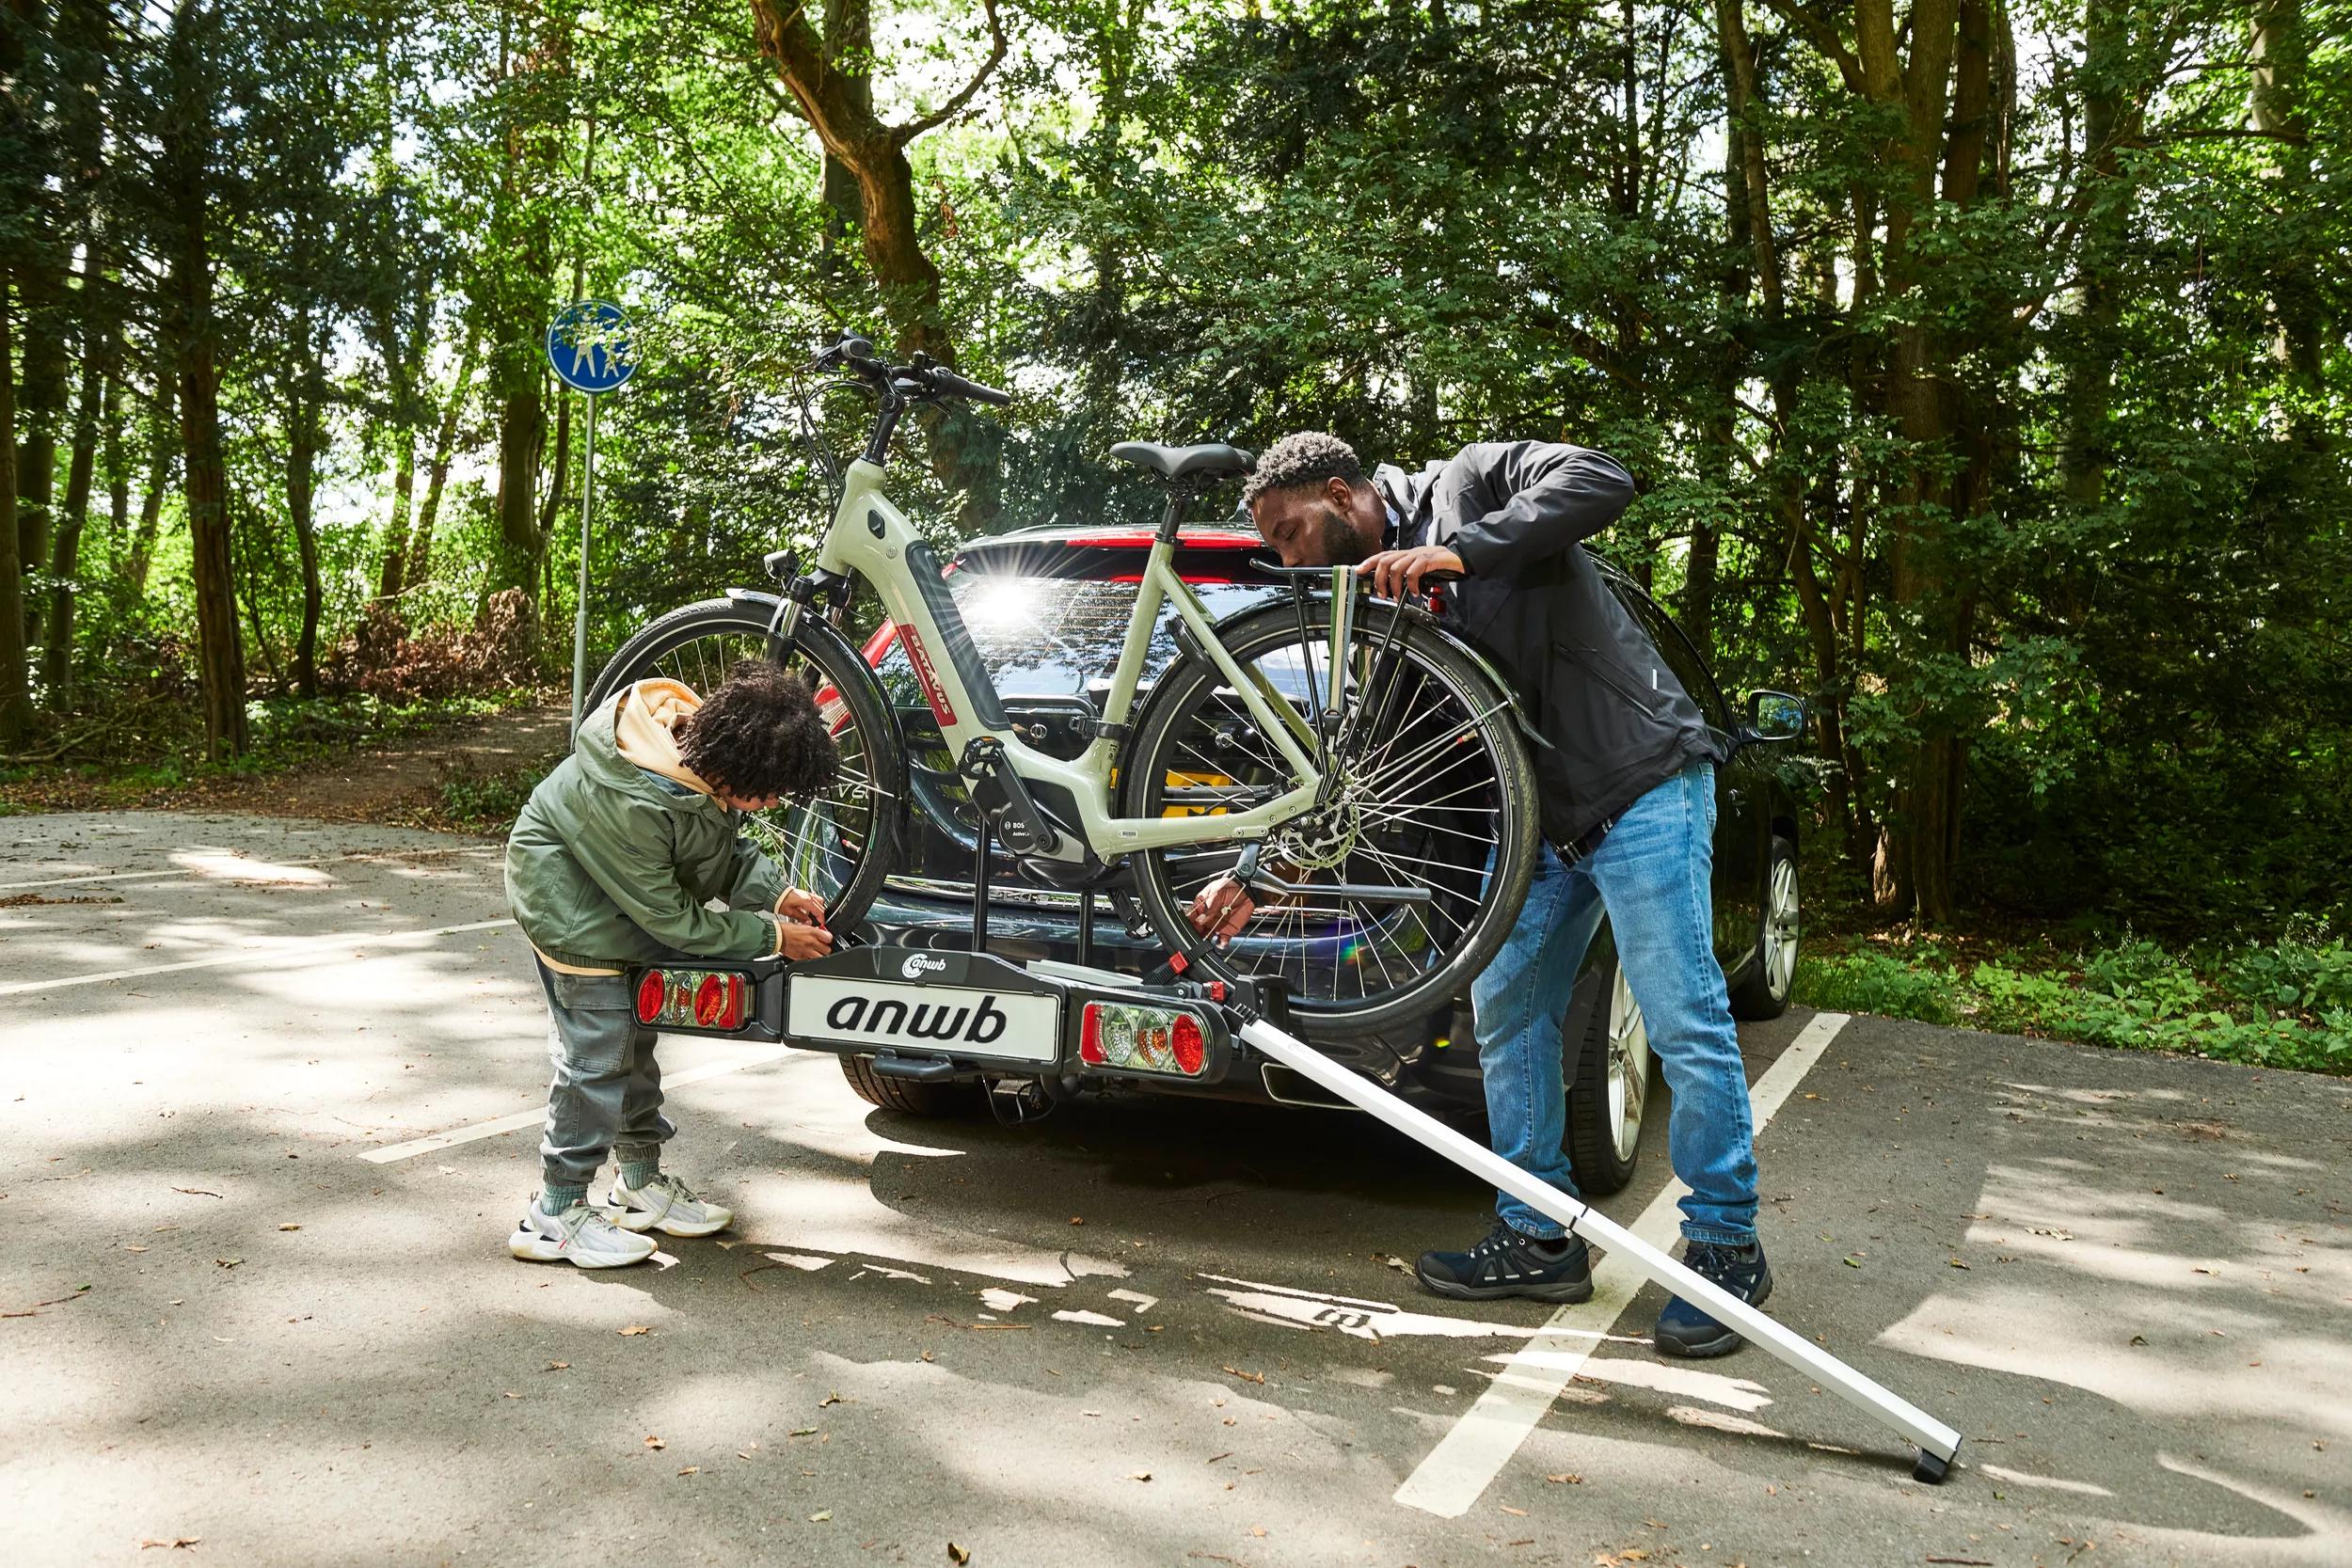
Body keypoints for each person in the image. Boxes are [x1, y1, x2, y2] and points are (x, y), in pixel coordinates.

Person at [1191, 432, 1767, 1357]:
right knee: (1505, 1013)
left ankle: (1726, 1249)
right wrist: (1261, 878)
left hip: (1640, 784)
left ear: (1341, 493)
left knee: (1682, 1020)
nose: (1287, 557)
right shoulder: (1376, 617)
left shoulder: (1470, 482)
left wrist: (1463, 550)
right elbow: (1353, 774)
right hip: (1542, 830)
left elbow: (1603, 476)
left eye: (1292, 532)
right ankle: (1538, 1234)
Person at [502, 660, 838, 1268]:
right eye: (768, 791)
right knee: (596, 1056)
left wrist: (777, 894)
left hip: (622, 901)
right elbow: (677, 920)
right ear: (738, 766)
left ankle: (637, 1185)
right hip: (571, 908)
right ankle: (554, 1213)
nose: (768, 803)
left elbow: (720, 845)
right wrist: (771, 934)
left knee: (634, 1045)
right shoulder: (637, 800)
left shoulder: (704, 757)